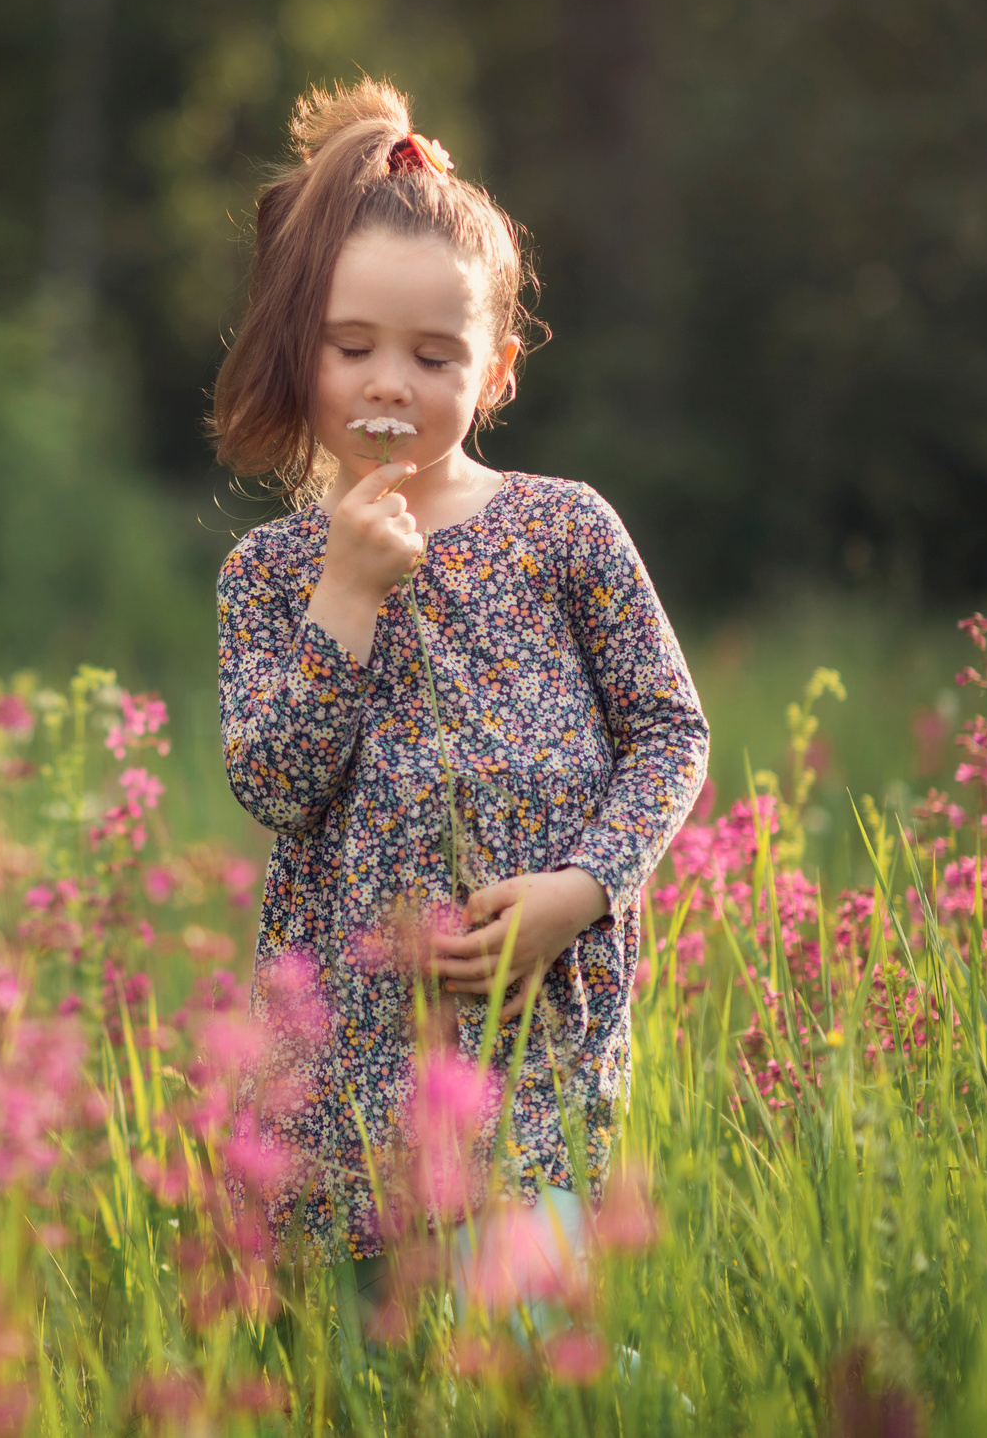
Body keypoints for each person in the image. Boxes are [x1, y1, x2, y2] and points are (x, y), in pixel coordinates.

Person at [208, 76, 710, 1262]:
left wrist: (582, 888)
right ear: (302, 350)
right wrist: (345, 593)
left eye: (435, 354)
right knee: (367, 1368)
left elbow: (667, 732)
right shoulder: (270, 570)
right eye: (353, 346)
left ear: (494, 373)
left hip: (537, 1038)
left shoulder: (564, 527)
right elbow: (273, 785)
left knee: (525, 1342)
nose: (390, 380)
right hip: (345, 1069)